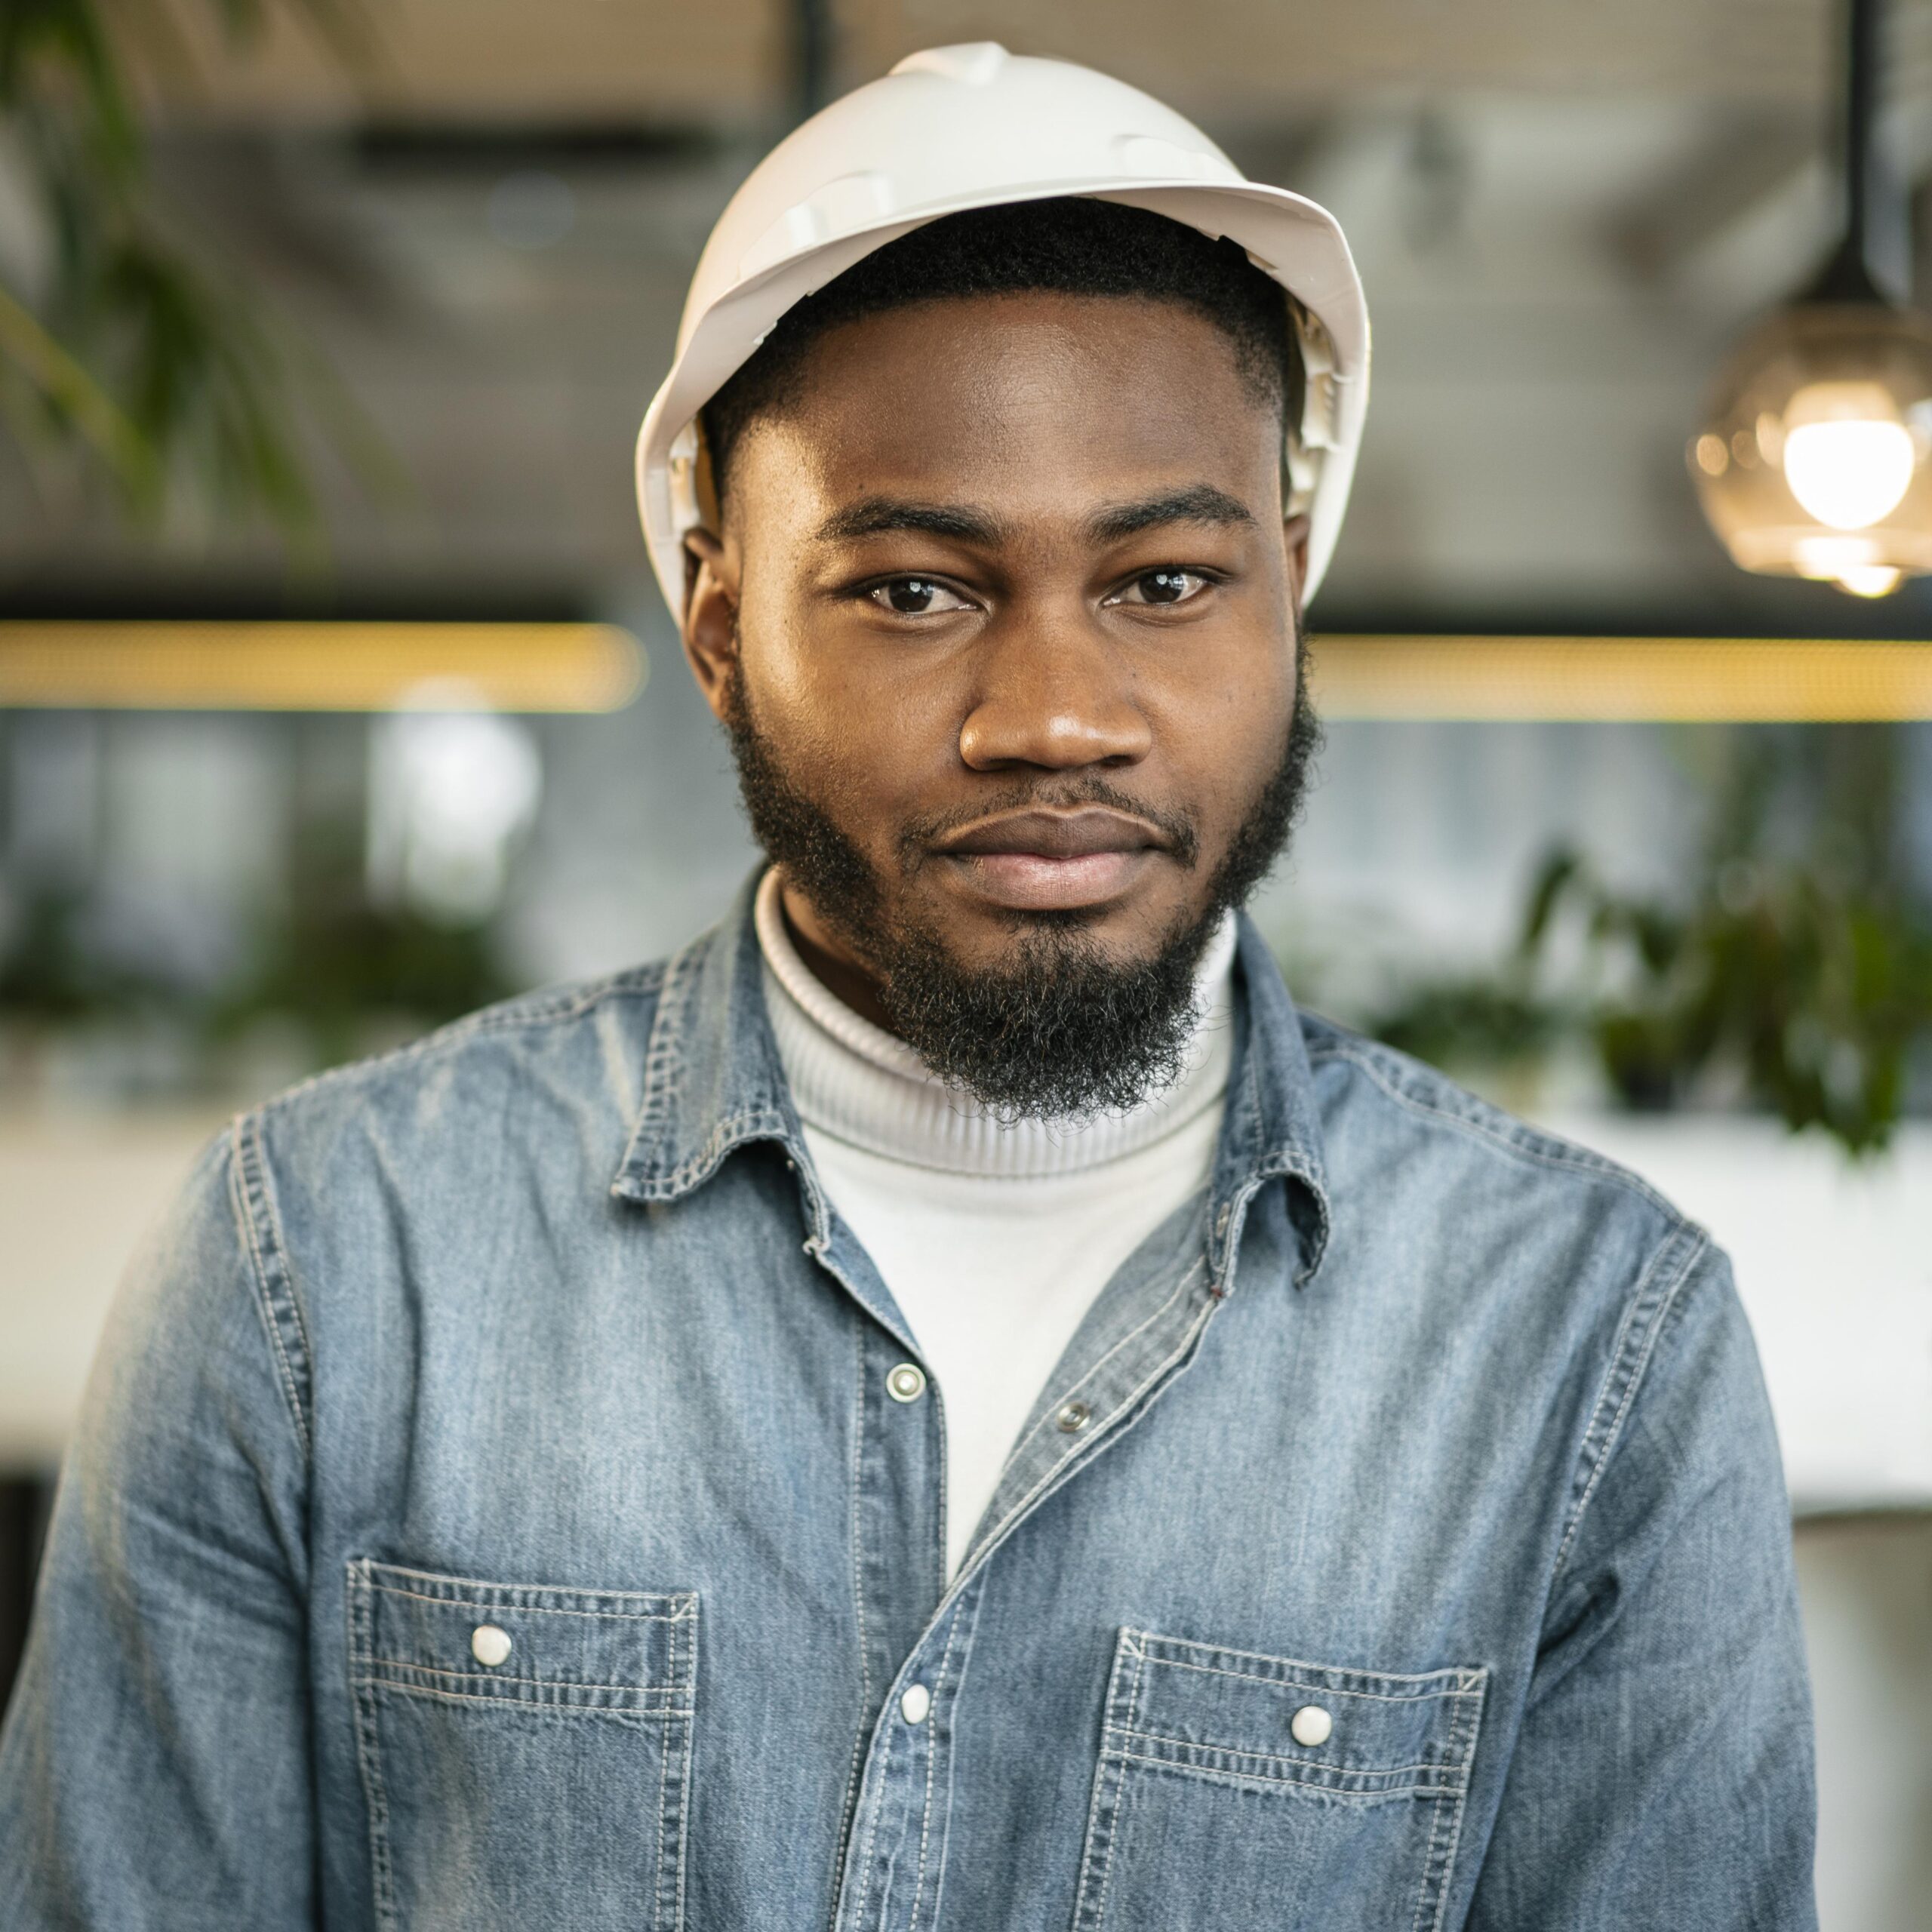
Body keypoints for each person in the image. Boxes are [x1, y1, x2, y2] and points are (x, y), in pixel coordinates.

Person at [0, 46, 1814, 1932]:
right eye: (911, 591)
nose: (1054, 718)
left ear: (1289, 588)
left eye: (1164, 582)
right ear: (719, 625)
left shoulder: (1590, 1343)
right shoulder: (322, 1267)